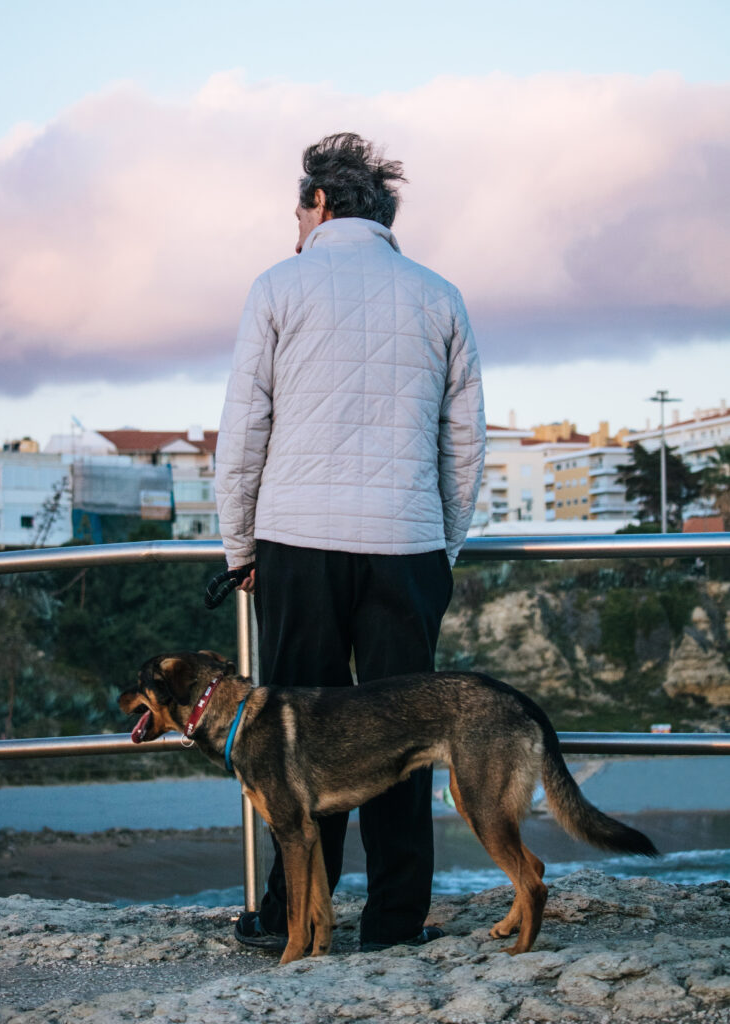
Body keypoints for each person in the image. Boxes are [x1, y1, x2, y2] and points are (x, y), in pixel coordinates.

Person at [215, 132, 486, 952]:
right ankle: (395, 921)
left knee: (290, 738)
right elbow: (463, 443)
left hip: (296, 540)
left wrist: (240, 550)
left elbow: (244, 431)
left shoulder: (278, 286)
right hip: (404, 543)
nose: (293, 225)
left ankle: (291, 918)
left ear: (321, 205)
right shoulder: (439, 295)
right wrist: (441, 546)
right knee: (404, 738)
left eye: (297, 210)